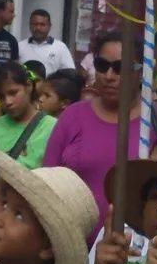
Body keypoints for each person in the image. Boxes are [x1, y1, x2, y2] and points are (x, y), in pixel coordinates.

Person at [45, 30, 139, 226]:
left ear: (141, 71)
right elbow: (47, 181)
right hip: (72, 242)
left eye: (120, 68)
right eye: (102, 66)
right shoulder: (73, 116)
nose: (109, 76)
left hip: (135, 249)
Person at [0, 61, 56, 171]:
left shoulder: (52, 127)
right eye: (1, 97)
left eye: (13, 93)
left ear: (28, 86)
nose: (8, 102)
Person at [20, 8, 74, 76]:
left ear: (49, 26)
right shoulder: (20, 46)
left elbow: (70, 73)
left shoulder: (60, 47)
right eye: (35, 24)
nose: (38, 28)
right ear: (30, 25)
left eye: (42, 24)